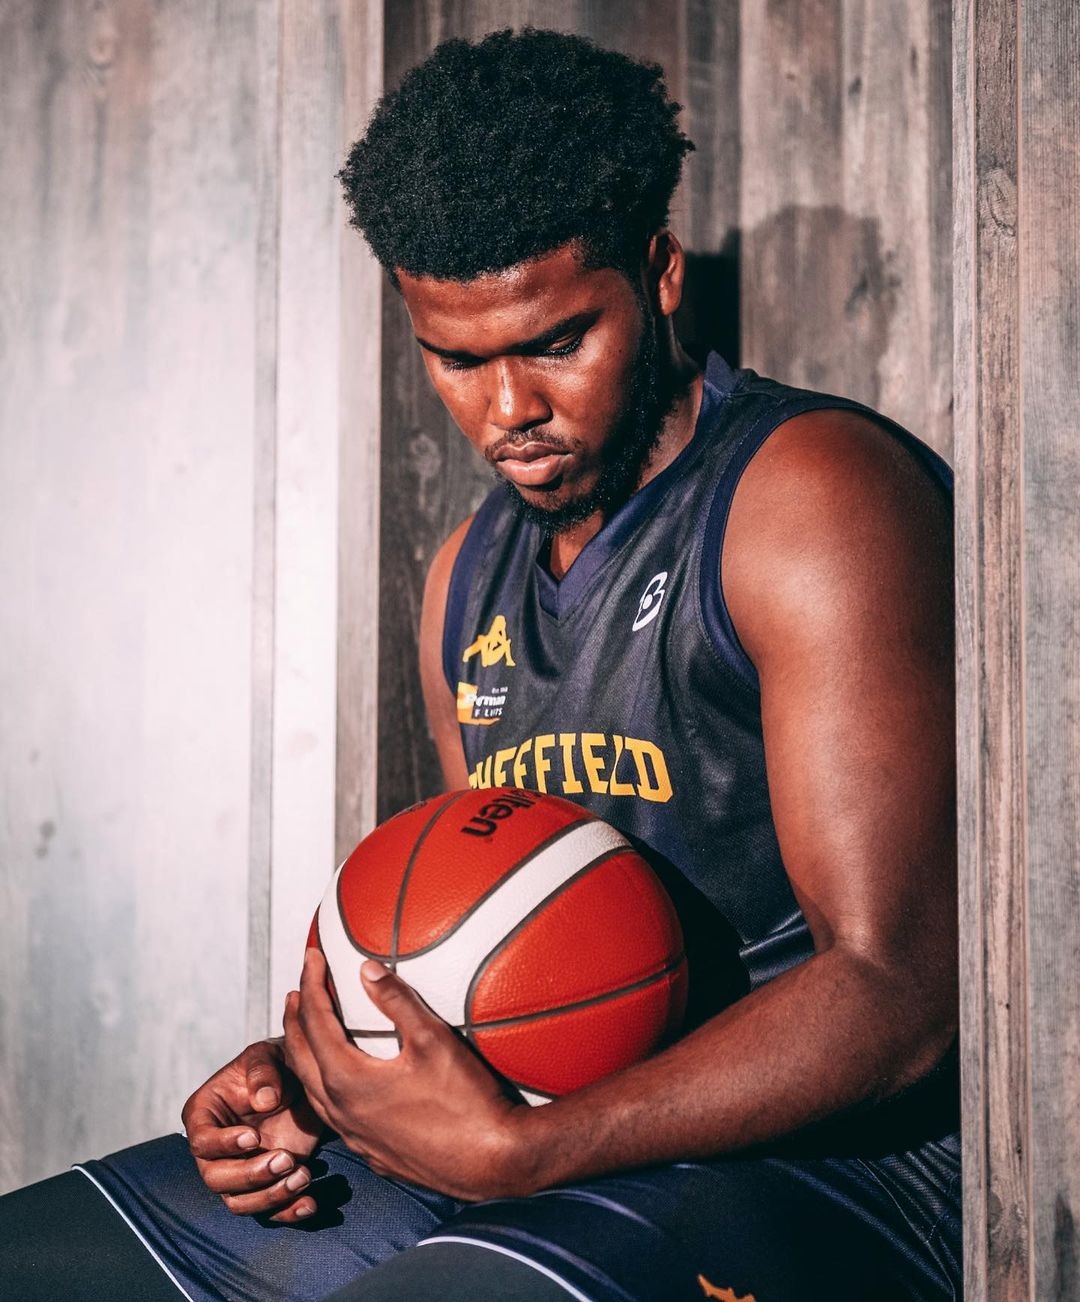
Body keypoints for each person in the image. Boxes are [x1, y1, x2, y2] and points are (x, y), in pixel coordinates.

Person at [0, 28, 961, 1302]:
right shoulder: (465, 579)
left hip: (821, 1178)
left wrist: (526, 1150)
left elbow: (901, 991)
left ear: (659, 276)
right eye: (457, 358)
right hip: (552, 1147)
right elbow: (493, 948)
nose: (510, 410)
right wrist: (329, 1085)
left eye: (557, 340)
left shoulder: (807, 498)